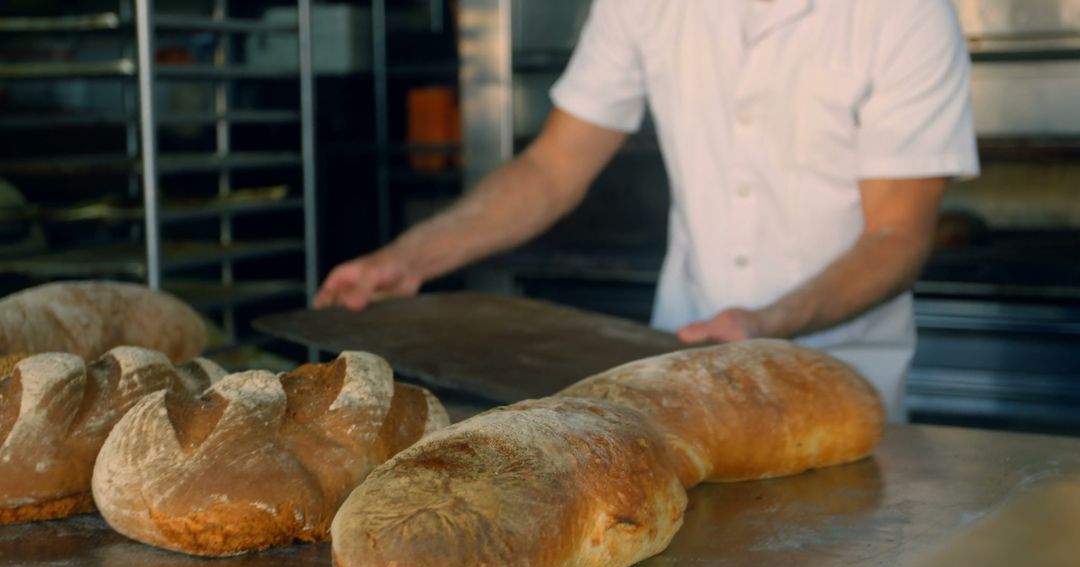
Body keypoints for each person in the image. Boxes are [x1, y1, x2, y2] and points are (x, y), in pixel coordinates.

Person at [316, 0, 979, 422]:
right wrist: (407, 258)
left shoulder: (904, 14)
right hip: (678, 363)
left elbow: (896, 234)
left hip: (844, 382)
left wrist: (770, 322)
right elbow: (552, 168)